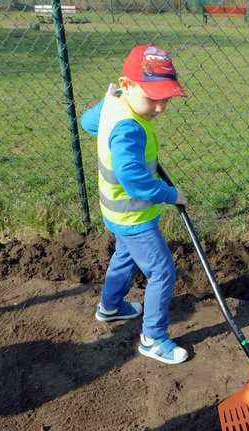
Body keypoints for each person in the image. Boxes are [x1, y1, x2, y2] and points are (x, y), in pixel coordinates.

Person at [80, 44, 189, 365]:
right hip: (133, 214)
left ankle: (110, 307)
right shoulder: (129, 128)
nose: (160, 107)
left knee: (124, 256)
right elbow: (133, 180)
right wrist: (171, 195)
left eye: (166, 97)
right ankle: (153, 338)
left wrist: (107, 103)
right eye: (152, 97)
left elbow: (88, 123)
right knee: (162, 271)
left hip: (115, 211)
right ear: (127, 85)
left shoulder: (114, 105)